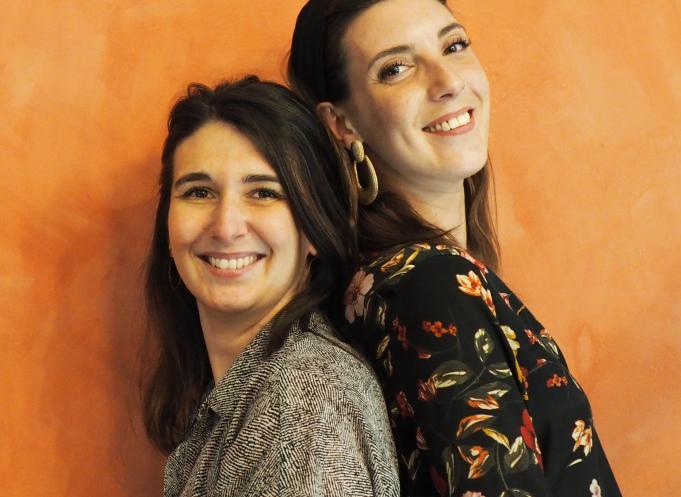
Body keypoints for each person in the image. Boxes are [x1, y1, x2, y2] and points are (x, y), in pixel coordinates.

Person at [289, 1, 622, 496]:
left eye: (454, 45)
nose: (446, 80)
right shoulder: (430, 285)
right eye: (396, 68)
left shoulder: (391, 281)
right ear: (342, 123)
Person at [141, 76, 400, 497]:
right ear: (168, 227)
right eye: (199, 191)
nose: (225, 227)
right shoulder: (240, 397)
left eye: (263, 193)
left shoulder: (304, 404)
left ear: (314, 229)